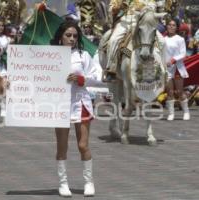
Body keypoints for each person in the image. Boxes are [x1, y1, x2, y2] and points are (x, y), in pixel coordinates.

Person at [50, 20, 99, 197]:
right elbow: (38, 76)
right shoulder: (51, 56)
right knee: (62, 146)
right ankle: (63, 183)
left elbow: (95, 76)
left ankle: (89, 182)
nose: (71, 39)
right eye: (68, 35)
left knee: (83, 145)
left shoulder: (84, 55)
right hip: (59, 104)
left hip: (80, 103)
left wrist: (80, 79)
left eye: (75, 36)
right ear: (61, 37)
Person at [104, 0, 157, 81]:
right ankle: (111, 70)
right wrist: (117, 8)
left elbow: (152, 8)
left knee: (162, 41)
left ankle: (160, 68)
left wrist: (143, 8)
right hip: (124, 22)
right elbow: (110, 8)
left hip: (141, 23)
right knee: (113, 40)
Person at [164, 18, 190, 121]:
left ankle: (186, 111)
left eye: (173, 25)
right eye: (169, 25)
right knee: (169, 92)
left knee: (179, 91)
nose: (171, 26)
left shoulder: (180, 39)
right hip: (166, 68)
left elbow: (183, 53)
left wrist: (173, 60)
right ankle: (171, 113)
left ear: (176, 27)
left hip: (177, 68)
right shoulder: (163, 39)